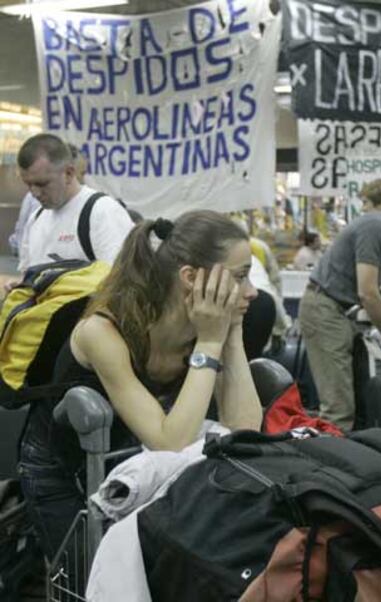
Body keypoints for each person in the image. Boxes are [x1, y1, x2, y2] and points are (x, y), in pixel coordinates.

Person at [18, 210, 263, 560]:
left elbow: (245, 431)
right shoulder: (102, 331)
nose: (252, 292)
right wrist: (210, 343)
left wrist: (231, 334)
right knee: (91, 579)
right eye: (240, 277)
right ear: (191, 277)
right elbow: (169, 441)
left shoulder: (207, 326)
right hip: (62, 472)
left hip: (127, 466)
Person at [298, 195, 381, 432]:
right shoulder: (374, 228)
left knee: (361, 403)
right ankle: (329, 464)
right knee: (339, 409)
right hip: (325, 309)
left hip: (346, 314)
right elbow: (368, 292)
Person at [16, 134, 134, 273]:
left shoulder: (103, 213)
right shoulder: (35, 219)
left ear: (69, 173)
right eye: (28, 185)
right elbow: (27, 274)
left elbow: (121, 283)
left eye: (42, 184)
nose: (35, 193)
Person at [8, 143, 89, 257]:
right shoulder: (45, 201)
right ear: (68, 173)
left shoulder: (92, 207)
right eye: (82, 173)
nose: (83, 179)